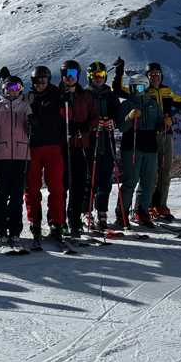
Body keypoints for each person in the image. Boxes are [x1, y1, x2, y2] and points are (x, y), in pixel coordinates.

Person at [112, 58, 181, 221]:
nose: (155, 77)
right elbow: (117, 89)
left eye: (158, 74)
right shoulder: (140, 91)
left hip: (164, 134)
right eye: (152, 74)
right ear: (146, 77)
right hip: (145, 139)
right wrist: (119, 72)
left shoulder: (167, 91)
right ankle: (145, 206)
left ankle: (160, 204)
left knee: (165, 172)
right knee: (149, 176)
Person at [0, 68, 33, 252]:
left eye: (16, 87)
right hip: (3, 155)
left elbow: (30, 124)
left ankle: (15, 230)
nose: (12, 90)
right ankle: (0, 230)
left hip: (22, 155)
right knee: (2, 193)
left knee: (16, 194)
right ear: (4, 89)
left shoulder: (25, 107)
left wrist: (32, 122)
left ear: (20, 89)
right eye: (8, 87)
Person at [22, 66, 66, 243]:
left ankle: (56, 222)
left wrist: (65, 102)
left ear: (48, 80)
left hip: (52, 146)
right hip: (31, 147)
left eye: (44, 80)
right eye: (37, 81)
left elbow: (65, 115)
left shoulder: (57, 95)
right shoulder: (27, 98)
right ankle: (35, 221)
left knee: (56, 187)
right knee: (32, 188)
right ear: (33, 82)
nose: (40, 84)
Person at [59, 60, 99, 238]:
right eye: (66, 73)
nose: (69, 77)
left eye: (73, 74)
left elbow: (95, 117)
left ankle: (75, 221)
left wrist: (87, 127)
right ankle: (59, 222)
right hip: (61, 146)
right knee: (61, 187)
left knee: (79, 185)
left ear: (78, 75)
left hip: (80, 145)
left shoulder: (85, 96)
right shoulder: (56, 94)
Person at [115, 75, 161, 229]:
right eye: (133, 88)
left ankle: (141, 212)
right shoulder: (126, 105)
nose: (136, 92)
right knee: (130, 182)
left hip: (150, 147)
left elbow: (160, 124)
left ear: (146, 88)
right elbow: (121, 127)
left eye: (140, 88)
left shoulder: (153, 105)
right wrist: (129, 117)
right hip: (132, 146)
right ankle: (121, 213)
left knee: (147, 182)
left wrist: (165, 124)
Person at [83, 61, 120, 230]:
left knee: (105, 178)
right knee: (90, 177)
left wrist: (113, 122)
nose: (99, 78)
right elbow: (81, 116)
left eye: (102, 75)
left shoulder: (110, 94)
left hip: (107, 139)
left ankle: (102, 211)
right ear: (90, 77)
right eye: (95, 76)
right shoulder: (85, 94)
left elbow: (117, 114)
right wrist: (92, 124)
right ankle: (86, 211)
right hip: (91, 141)